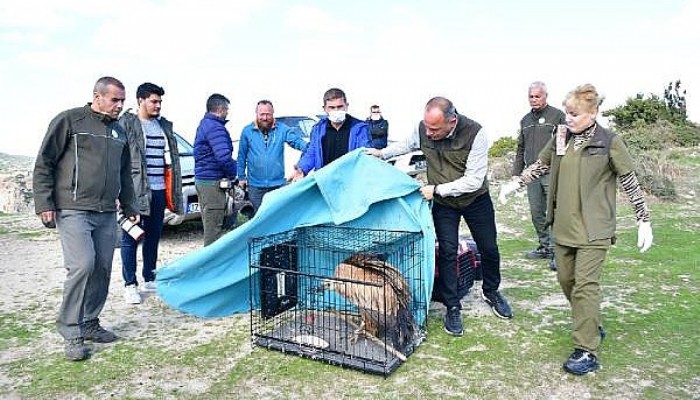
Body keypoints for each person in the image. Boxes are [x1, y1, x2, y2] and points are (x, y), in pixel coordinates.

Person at [500, 84, 653, 375]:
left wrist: (643, 219)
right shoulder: (561, 135)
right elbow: (541, 164)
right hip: (563, 225)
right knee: (567, 281)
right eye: (567, 112)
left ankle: (587, 350)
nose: (568, 119)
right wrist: (516, 182)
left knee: (585, 286)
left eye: (574, 114)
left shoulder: (609, 141)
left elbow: (630, 181)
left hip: (594, 229)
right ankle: (590, 321)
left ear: (593, 113)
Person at [367, 96, 513, 337]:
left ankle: (492, 291)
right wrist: (382, 154)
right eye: (426, 126)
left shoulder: (475, 133)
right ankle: (452, 305)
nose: (428, 132)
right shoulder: (424, 129)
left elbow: (474, 180)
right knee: (446, 250)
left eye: (434, 128)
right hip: (445, 204)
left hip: (475, 199)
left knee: (489, 248)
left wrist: (436, 190)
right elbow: (406, 144)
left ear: (452, 121)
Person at [33, 76, 139, 361]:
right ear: (97, 96)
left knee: (103, 267)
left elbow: (125, 173)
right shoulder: (70, 121)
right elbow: (45, 162)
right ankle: (71, 332)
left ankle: (90, 322)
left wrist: (131, 205)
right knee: (83, 265)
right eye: (115, 100)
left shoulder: (119, 132)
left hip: (106, 211)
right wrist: (45, 202)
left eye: (122, 101)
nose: (119, 106)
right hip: (73, 208)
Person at [118, 83, 183, 304]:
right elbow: (119, 160)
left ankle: (149, 276)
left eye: (160, 102)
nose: (158, 106)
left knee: (153, 236)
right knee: (130, 238)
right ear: (140, 101)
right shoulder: (127, 124)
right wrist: (121, 194)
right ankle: (130, 284)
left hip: (159, 191)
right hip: (135, 193)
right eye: (154, 101)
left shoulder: (163, 126)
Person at [512, 81, 566, 271]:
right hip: (531, 174)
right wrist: (516, 173)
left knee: (555, 212)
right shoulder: (525, 120)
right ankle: (545, 247)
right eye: (531, 96)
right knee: (537, 212)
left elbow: (563, 144)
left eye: (537, 96)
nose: (534, 99)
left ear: (545, 96)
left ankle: (558, 253)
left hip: (551, 171)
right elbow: (520, 148)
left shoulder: (557, 115)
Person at [237, 100, 308, 213]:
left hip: (278, 185)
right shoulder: (247, 131)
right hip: (256, 186)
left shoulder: (282, 129)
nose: (265, 118)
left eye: (268, 114)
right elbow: (241, 156)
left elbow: (299, 143)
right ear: (256, 113)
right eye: (262, 114)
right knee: (259, 218)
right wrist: (241, 177)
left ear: (273, 113)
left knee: (278, 216)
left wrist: (307, 153)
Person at [290, 88, 371, 180]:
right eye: (332, 107)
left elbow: (365, 154)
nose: (336, 110)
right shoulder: (318, 129)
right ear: (324, 109)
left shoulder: (359, 128)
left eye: (340, 106)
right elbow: (312, 152)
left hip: (350, 181)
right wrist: (302, 169)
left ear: (346, 106)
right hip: (325, 181)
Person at [193, 93, 237, 246]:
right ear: (220, 109)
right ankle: (211, 268)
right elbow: (223, 157)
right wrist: (234, 174)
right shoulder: (215, 128)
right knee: (213, 230)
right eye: (227, 110)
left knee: (211, 224)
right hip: (212, 183)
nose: (227, 113)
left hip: (204, 181)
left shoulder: (205, 124)